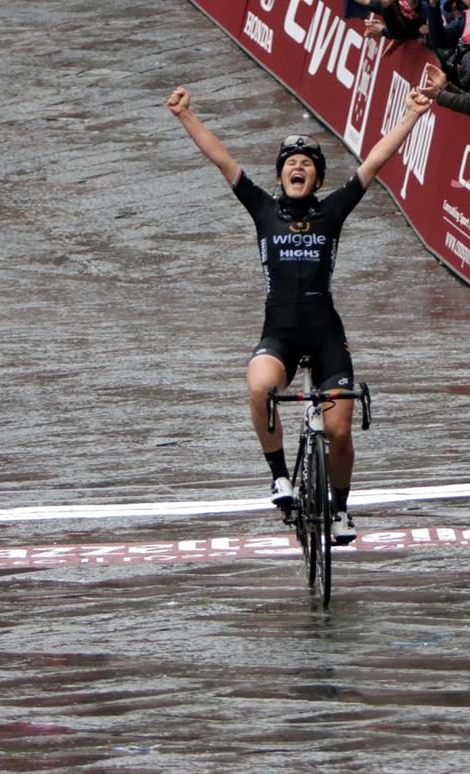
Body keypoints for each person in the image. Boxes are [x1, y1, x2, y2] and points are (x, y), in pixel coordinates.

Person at [166, 83, 432, 543]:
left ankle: (341, 510)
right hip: (281, 333)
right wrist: (186, 115)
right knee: (258, 386)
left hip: (326, 333)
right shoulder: (262, 209)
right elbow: (222, 159)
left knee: (339, 431)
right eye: (291, 162)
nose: (298, 166)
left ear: (317, 179)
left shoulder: (332, 212)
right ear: (280, 175)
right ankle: (279, 476)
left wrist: (411, 115)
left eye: (307, 163)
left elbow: (374, 162)